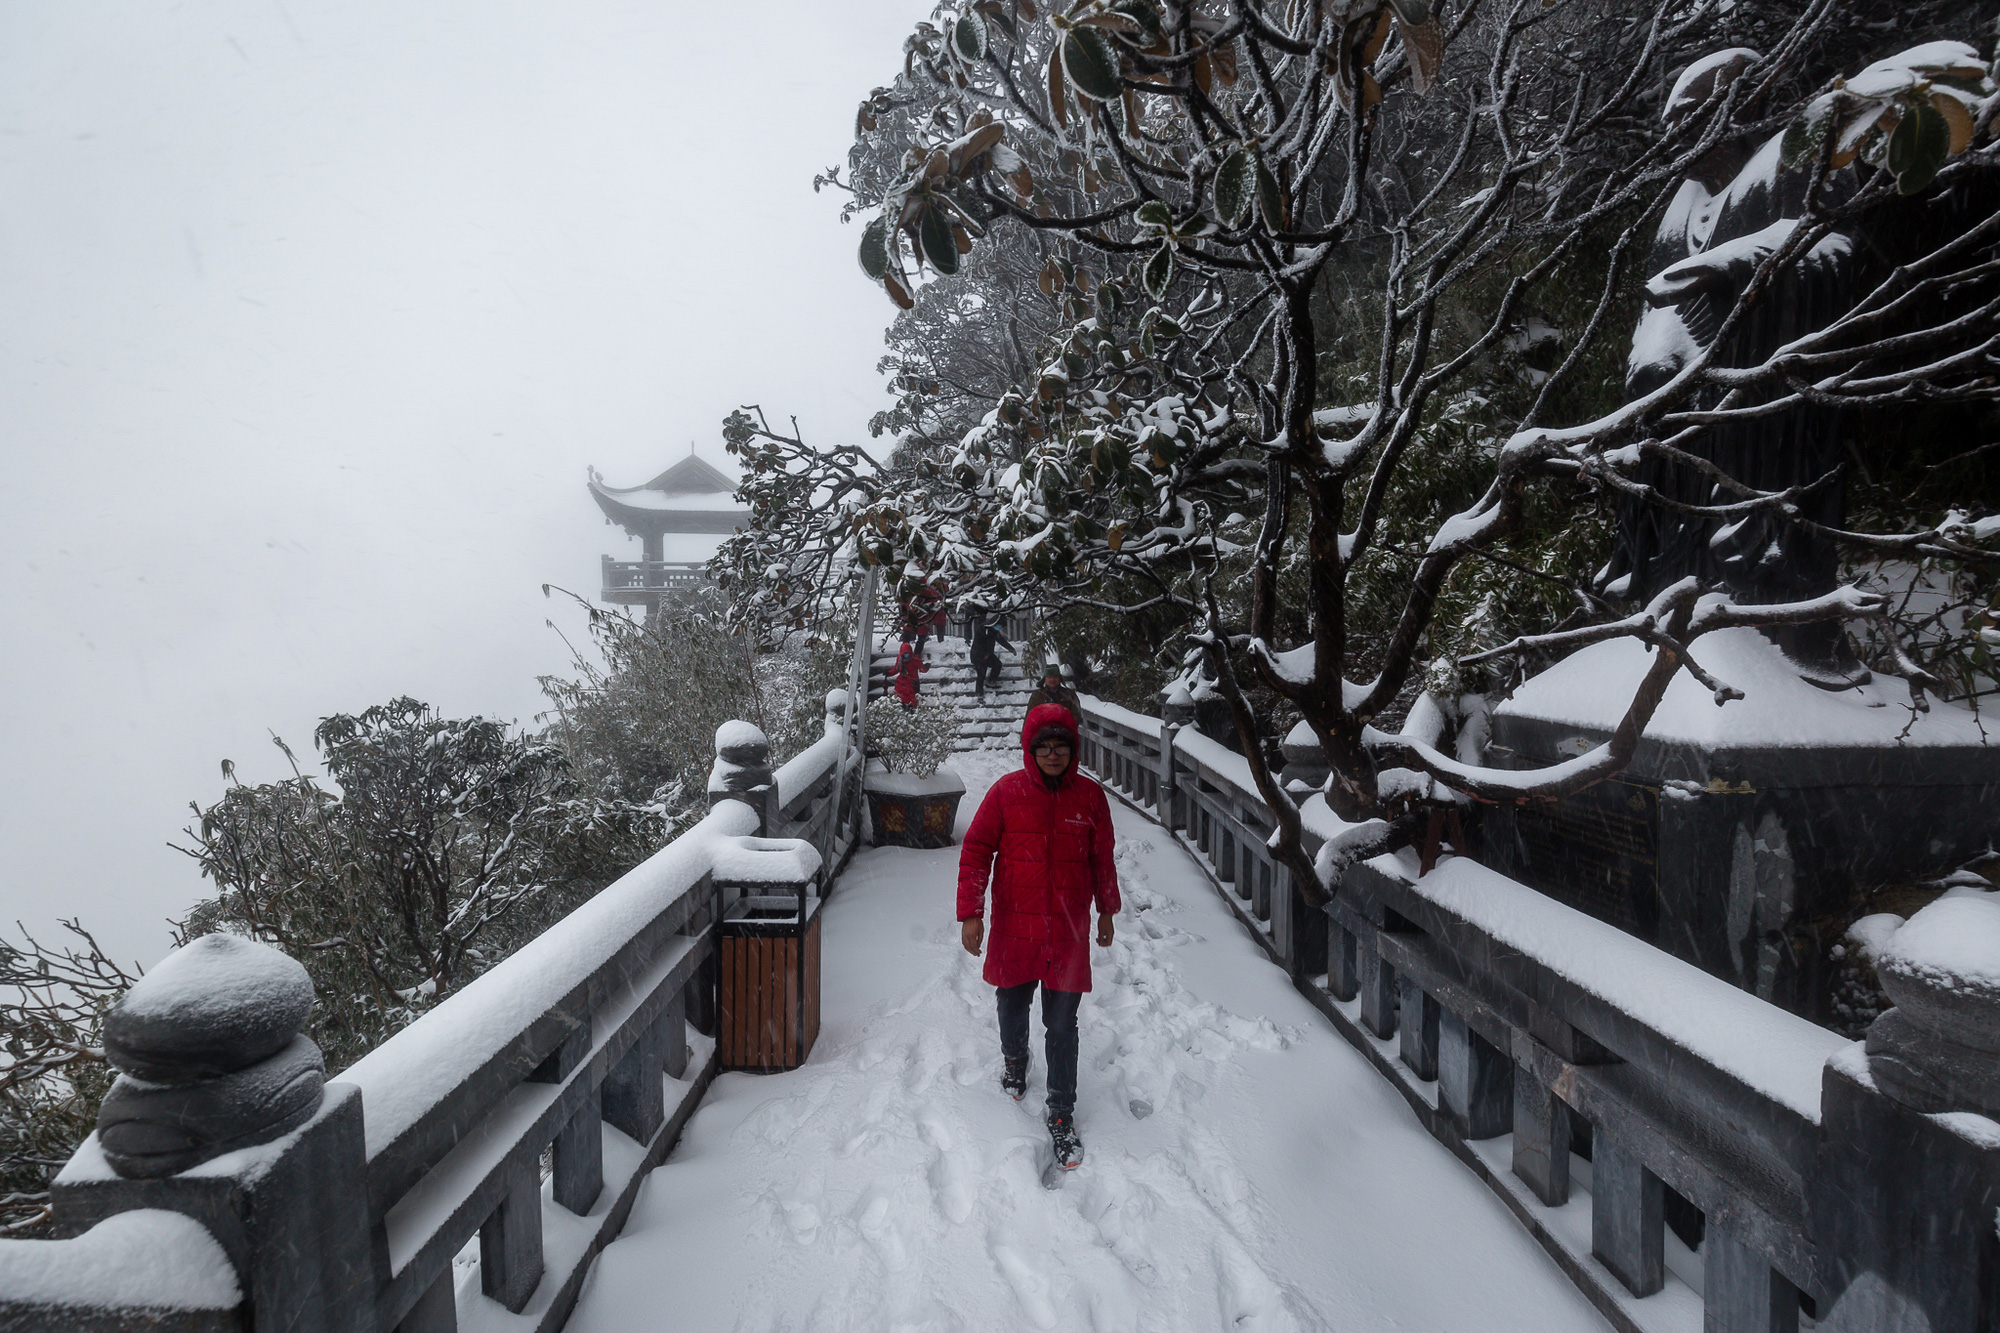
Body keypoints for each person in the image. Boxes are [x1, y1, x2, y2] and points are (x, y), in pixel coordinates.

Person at [957, 703, 1118, 1170]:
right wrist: (971, 912)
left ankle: (1061, 1113)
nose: (1052, 755)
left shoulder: (1089, 798)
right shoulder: (1007, 793)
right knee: (1011, 1003)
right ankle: (1014, 1058)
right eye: (1043, 747)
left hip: (1068, 930)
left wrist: (1107, 910)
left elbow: (1102, 857)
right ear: (1030, 750)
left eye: (1060, 747)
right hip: (1016, 927)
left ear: (1074, 751)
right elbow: (976, 848)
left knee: (1063, 1025)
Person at [966, 606, 1013, 703]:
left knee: (998, 664)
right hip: (977, 655)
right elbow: (979, 644)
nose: (999, 628)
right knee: (981, 672)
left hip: (988, 654)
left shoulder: (994, 631)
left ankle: (991, 681)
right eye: (999, 625)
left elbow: (1001, 640)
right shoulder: (983, 629)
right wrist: (984, 654)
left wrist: (1011, 649)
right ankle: (979, 692)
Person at [892, 632, 927, 706]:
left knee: (913, 699)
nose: (906, 656)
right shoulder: (900, 659)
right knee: (901, 698)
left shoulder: (915, 659)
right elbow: (896, 669)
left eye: (907, 653)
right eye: (904, 654)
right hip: (903, 682)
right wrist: (889, 673)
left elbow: (922, 669)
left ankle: (912, 709)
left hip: (913, 683)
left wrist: (926, 667)